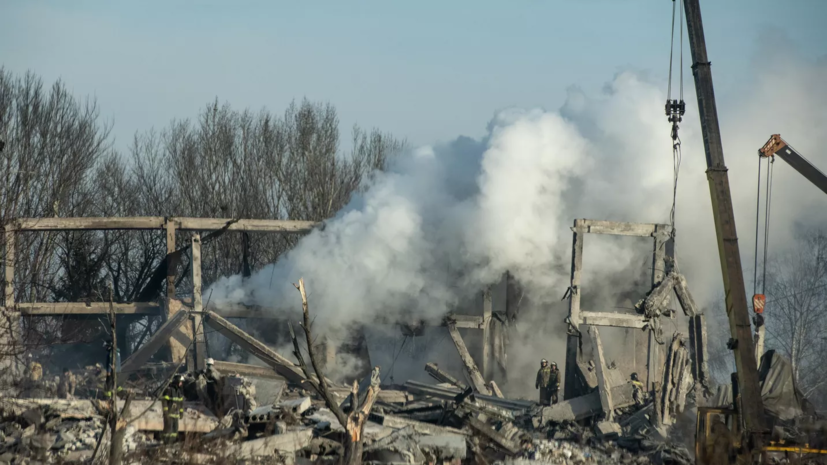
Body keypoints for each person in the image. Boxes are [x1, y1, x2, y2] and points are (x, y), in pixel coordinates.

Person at [162, 375, 185, 444]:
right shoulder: (169, 390)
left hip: (176, 415)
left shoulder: (178, 392)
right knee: (168, 430)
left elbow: (181, 403)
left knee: (175, 431)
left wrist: (181, 413)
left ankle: (173, 442)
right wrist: (165, 412)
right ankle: (166, 443)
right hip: (169, 415)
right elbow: (164, 401)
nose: (181, 384)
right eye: (180, 382)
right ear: (177, 382)